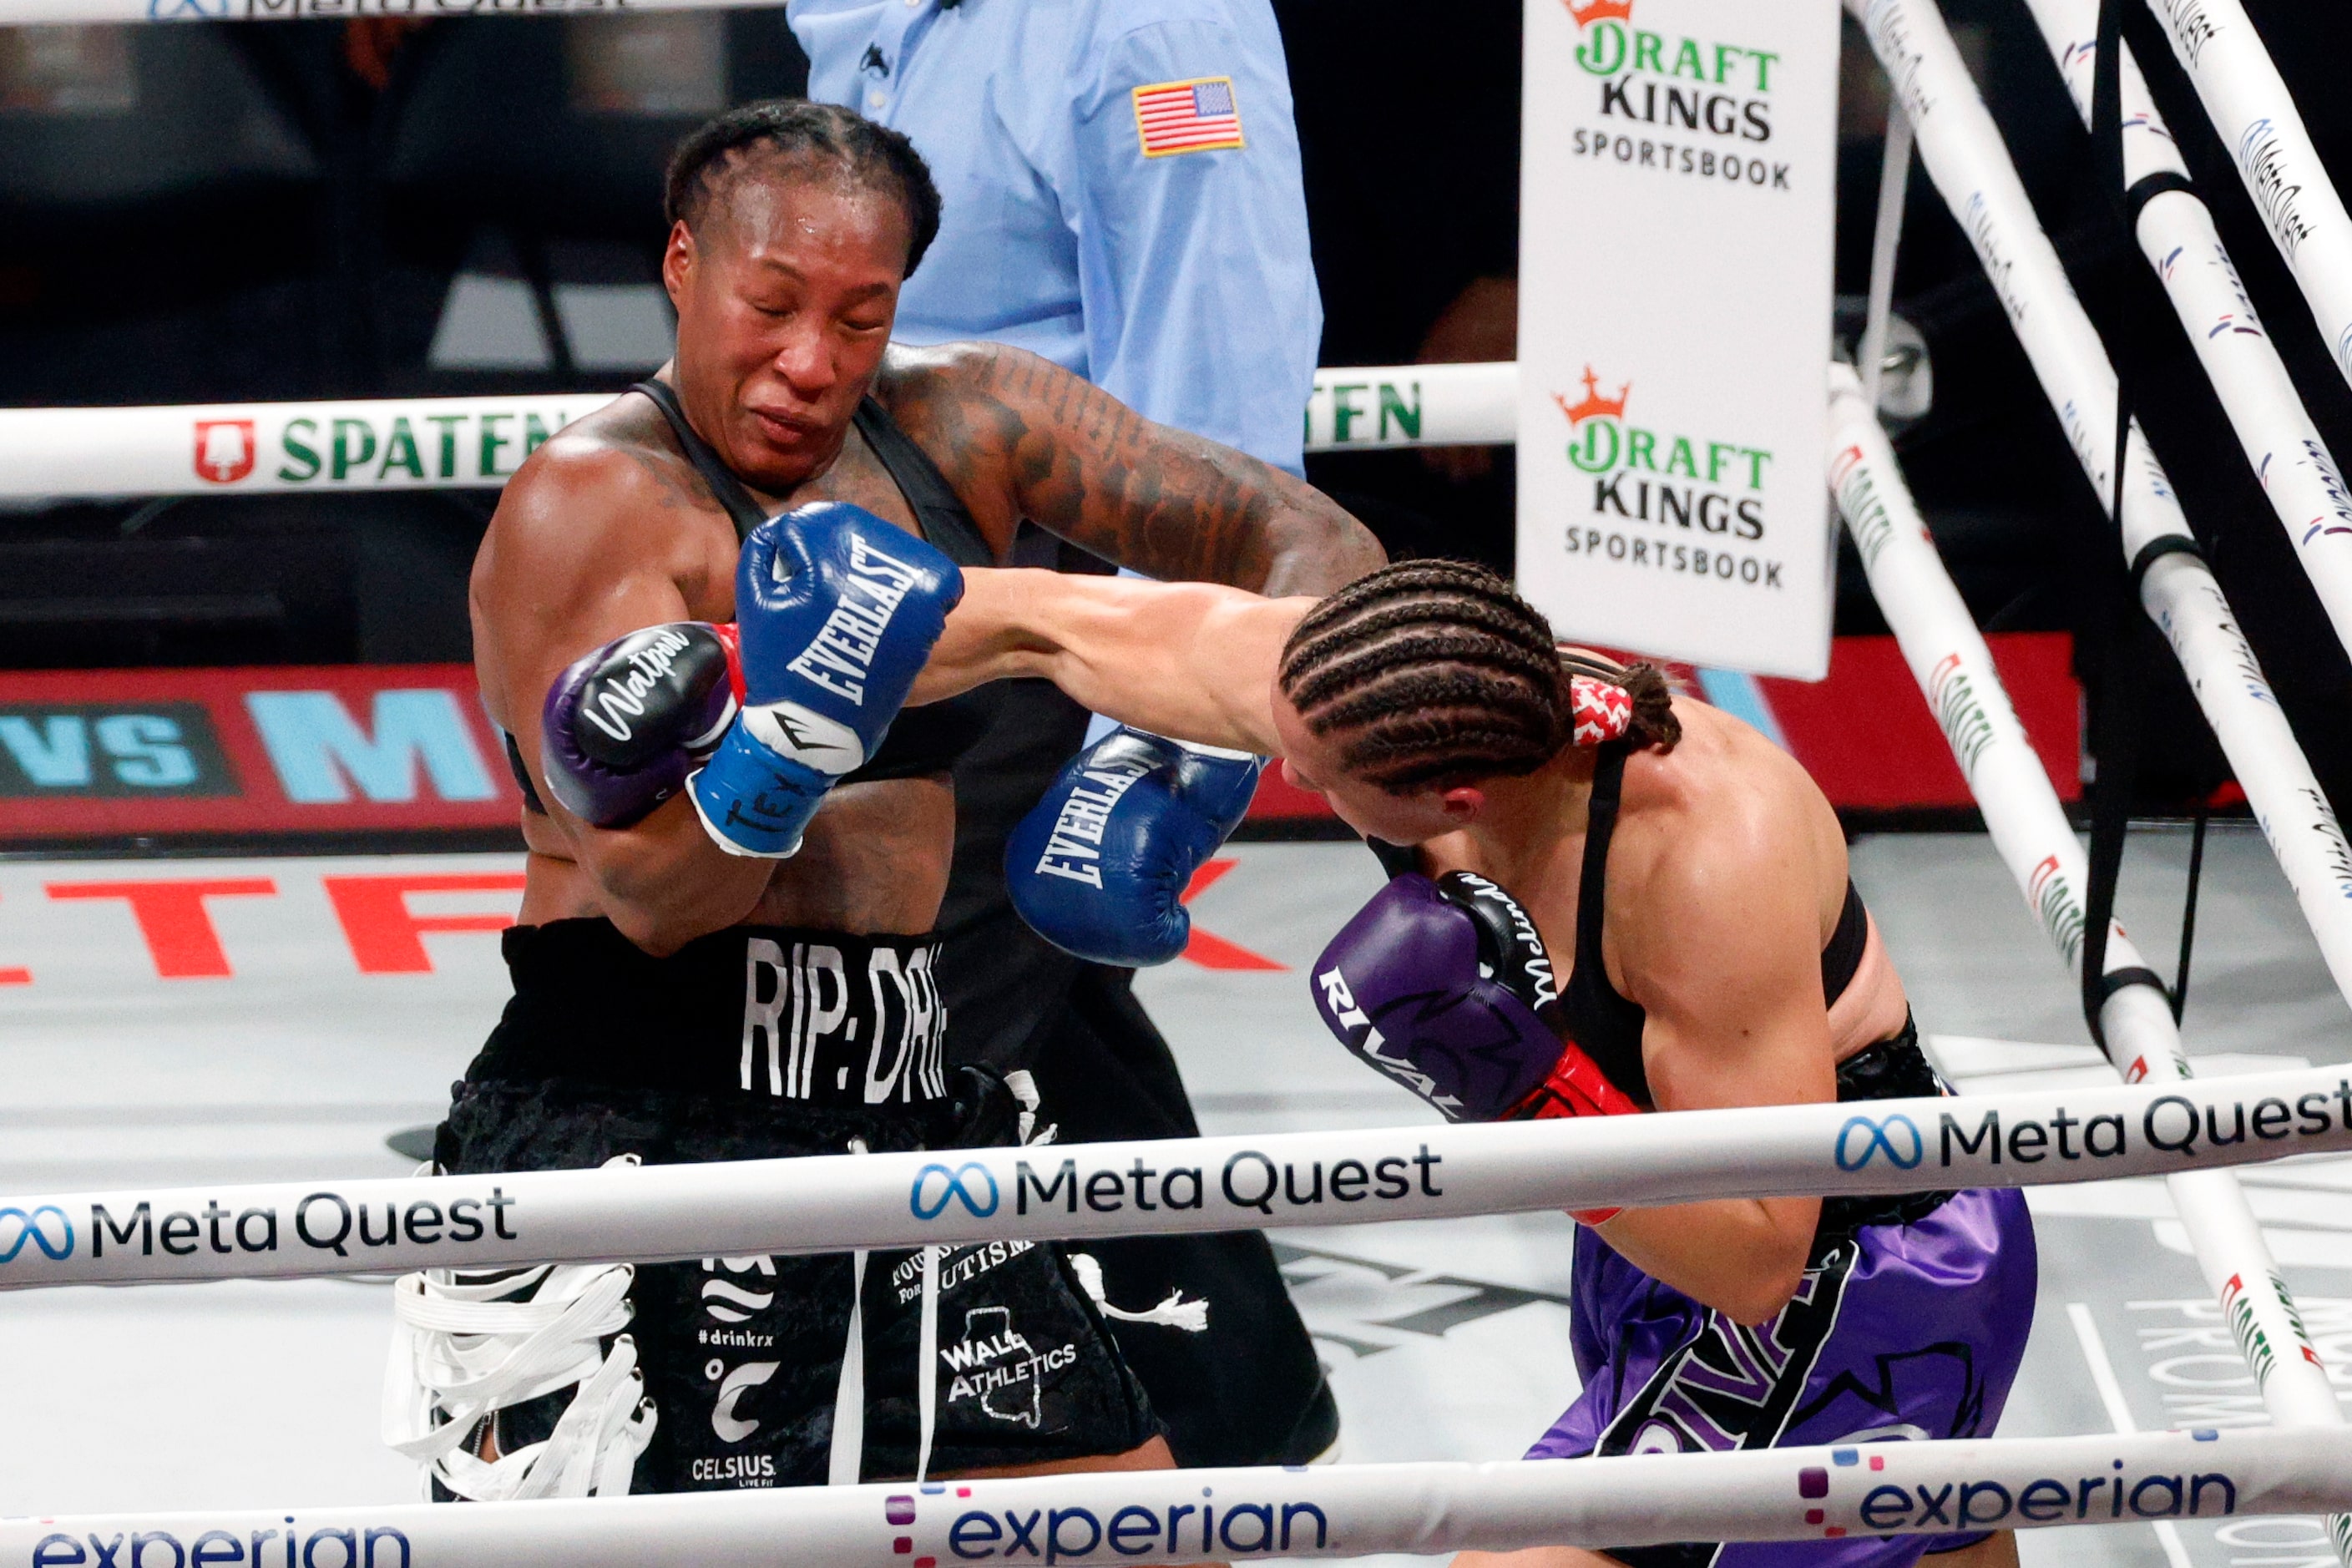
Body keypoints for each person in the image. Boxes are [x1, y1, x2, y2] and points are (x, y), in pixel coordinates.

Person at [396, 98, 1377, 1500]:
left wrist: (1191, 754)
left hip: (914, 1102)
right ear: (683, 266)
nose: (809, 361)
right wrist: (790, 731)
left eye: (858, 318)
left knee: (1137, 1521)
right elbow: (657, 896)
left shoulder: (967, 423)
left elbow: (1298, 534)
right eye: (772, 303)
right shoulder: (595, 505)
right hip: (646, 1111)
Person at [906, 557, 2036, 1568]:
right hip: (1650, 1228)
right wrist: (819, 655)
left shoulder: (1698, 863)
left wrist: (1515, 1090)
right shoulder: (1398, 682)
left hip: (1848, 1273)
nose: (1288, 774)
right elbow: (1060, 624)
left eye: (1313, 773)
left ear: (1448, 803)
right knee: (1927, 1532)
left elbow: (1755, 1261)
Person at [788, 0, 1339, 1465]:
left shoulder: (1147, 25)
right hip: (893, 575)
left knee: (911, 1027)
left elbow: (1216, 348)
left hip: (1063, 592)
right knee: (1024, 1021)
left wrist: (1176, 723)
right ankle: (1224, 1402)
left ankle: (959, 1465)